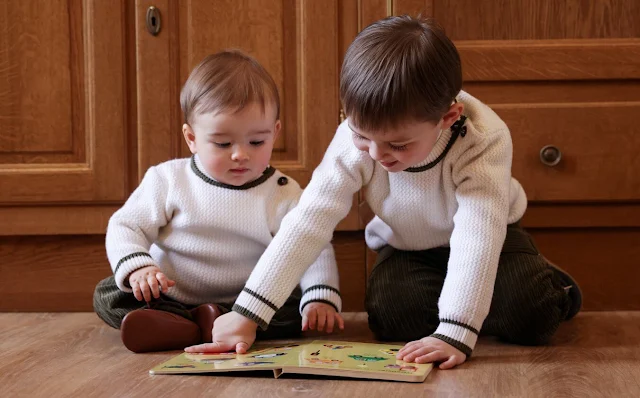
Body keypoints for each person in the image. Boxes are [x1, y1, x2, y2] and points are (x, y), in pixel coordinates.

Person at [197, 16, 582, 369]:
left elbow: (477, 237)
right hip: (407, 246)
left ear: (448, 117)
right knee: (392, 316)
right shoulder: (356, 138)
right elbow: (309, 219)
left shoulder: (483, 138)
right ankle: (472, 302)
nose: (378, 155)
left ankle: (544, 283)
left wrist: (456, 332)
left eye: (398, 145)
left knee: (531, 313)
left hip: (492, 240)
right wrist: (247, 314)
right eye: (363, 136)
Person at [93, 50, 343, 353]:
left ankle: (209, 324)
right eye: (223, 143)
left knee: (292, 309)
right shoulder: (169, 179)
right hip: (172, 294)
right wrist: (139, 269)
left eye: (257, 142)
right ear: (191, 138)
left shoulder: (282, 193)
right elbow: (125, 224)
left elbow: (311, 247)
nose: (240, 154)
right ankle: (187, 321)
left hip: (248, 303)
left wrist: (318, 297)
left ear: (275, 133)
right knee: (108, 293)